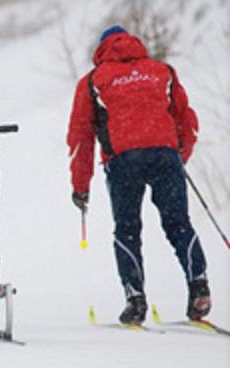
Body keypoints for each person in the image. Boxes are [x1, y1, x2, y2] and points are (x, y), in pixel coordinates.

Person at [66, 25, 211, 324]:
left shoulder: (93, 81)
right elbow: (186, 120)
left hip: (123, 161)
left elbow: (80, 137)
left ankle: (135, 299)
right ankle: (199, 287)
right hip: (164, 155)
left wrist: (81, 187)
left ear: (102, 48)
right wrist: (178, 155)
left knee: (128, 230)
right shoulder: (162, 71)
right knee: (179, 225)